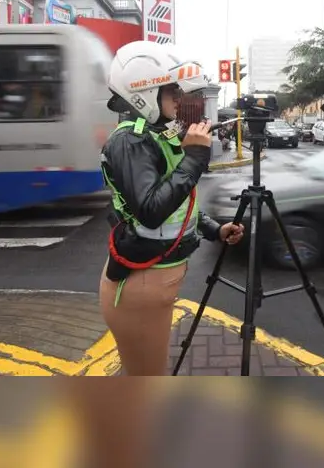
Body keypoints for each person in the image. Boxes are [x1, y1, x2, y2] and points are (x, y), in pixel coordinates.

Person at [99, 41, 245, 376]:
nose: (178, 100)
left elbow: (181, 202)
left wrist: (214, 229)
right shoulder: (129, 141)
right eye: (171, 92)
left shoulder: (155, 137)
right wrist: (194, 158)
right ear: (144, 93)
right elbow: (151, 209)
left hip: (155, 283)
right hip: (142, 283)